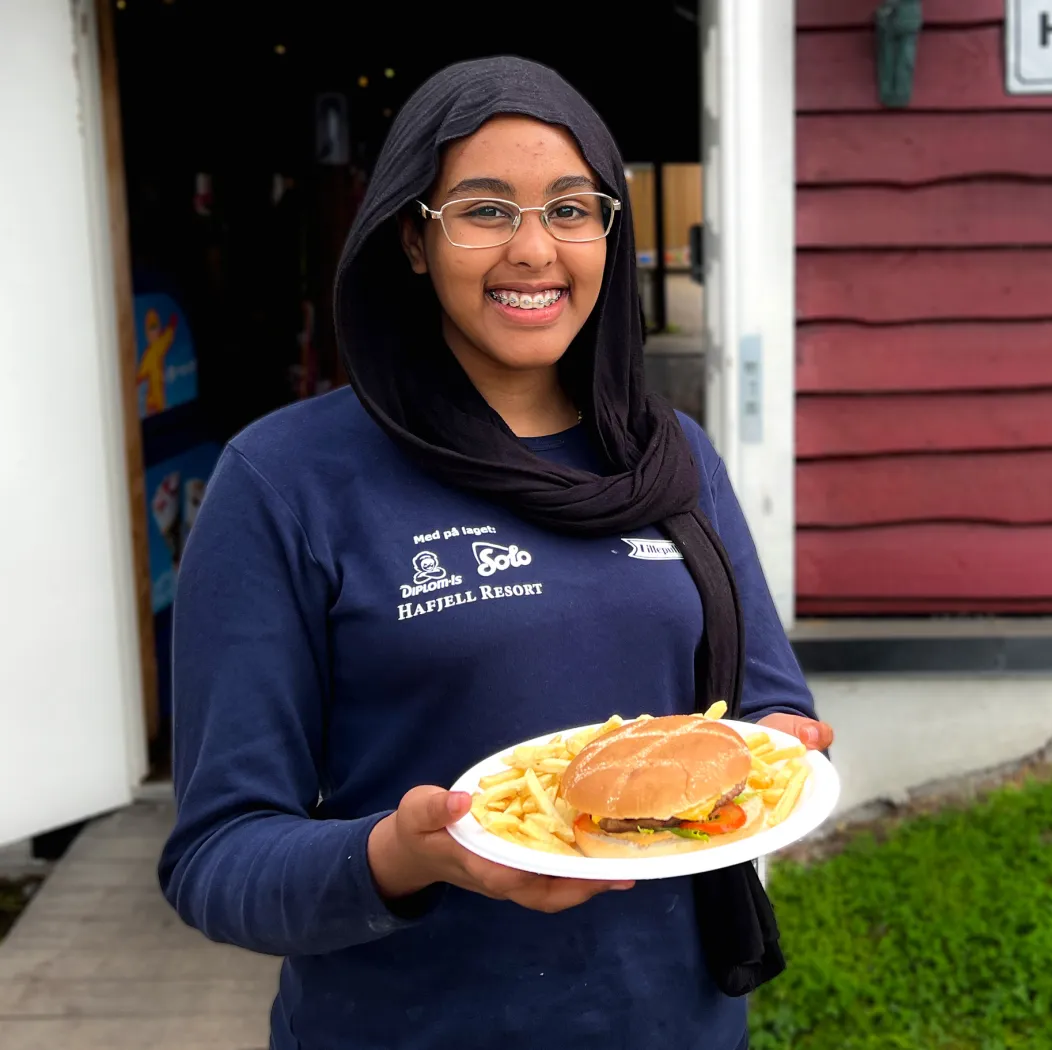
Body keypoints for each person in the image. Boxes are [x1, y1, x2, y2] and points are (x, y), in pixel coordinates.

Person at [157, 56, 833, 1050]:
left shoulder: (670, 453)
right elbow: (217, 861)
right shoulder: (287, 479)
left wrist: (785, 751)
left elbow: (774, 713)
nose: (534, 249)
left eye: (570, 208)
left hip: (675, 1026)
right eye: (483, 210)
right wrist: (404, 853)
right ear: (412, 239)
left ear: (609, 234)